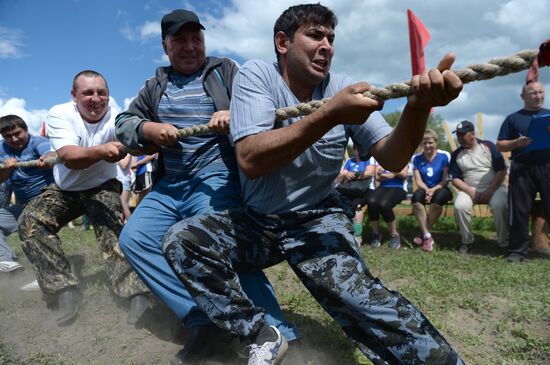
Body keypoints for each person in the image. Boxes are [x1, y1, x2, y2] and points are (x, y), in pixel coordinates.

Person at [162, 4, 465, 364]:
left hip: (318, 219)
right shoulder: (257, 76)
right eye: (315, 35)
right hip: (259, 221)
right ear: (282, 42)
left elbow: (393, 158)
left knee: (362, 302)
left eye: (331, 38)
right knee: (184, 242)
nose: (326, 46)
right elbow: (251, 159)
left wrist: (418, 108)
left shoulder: (342, 88)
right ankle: (258, 333)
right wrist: (329, 114)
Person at [115, 9, 298, 364]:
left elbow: (267, 100)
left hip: (216, 178)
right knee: (134, 239)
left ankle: (279, 332)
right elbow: (124, 123)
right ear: (166, 46)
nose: (189, 47)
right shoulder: (155, 85)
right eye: (180, 40)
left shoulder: (226, 71)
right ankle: (202, 317)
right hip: (170, 185)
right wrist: (147, 130)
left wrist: (235, 112)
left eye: (195, 39)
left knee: (218, 242)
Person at [18, 70, 149, 327]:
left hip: (103, 185)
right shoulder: (59, 113)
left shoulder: (116, 116)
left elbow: (137, 138)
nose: (96, 98)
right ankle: (63, 288)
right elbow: (68, 156)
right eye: (88, 92)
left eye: (102, 92)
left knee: (113, 224)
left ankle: (135, 292)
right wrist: (101, 151)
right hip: (66, 189)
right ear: (74, 96)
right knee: (30, 220)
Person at [496, 81, 550, 262]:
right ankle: (517, 252)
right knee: (519, 210)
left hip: (547, 166)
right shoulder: (512, 119)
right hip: (522, 167)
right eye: (534, 93)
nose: (539, 96)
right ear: (523, 96)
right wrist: (516, 143)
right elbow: (500, 145)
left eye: (541, 92)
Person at [0, 115, 55, 274]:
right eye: (8, 136)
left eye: (18, 133)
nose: (14, 139)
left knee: (30, 225)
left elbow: (50, 154)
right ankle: (6, 260)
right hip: (23, 205)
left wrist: (47, 159)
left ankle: (48, 274)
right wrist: (6, 169)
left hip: (48, 200)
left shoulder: (38, 142)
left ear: (26, 129)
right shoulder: (1, 148)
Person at [449, 120, 508, 254]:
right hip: (469, 189)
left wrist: (490, 190)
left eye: (462, 134)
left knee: (500, 204)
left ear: (473, 134)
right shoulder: (456, 154)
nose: (459, 138)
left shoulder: (488, 146)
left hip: (494, 187)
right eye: (458, 135)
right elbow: (455, 179)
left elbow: (502, 171)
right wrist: (471, 192)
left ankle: (504, 242)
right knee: (460, 206)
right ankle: (467, 241)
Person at [411, 129, 453, 252]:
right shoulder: (416, 158)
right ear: (421, 145)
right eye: (424, 143)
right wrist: (427, 190)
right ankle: (427, 236)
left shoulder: (444, 156)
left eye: (430, 142)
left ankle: (422, 234)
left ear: (436, 142)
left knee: (437, 200)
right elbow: (418, 181)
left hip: (441, 187)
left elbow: (445, 180)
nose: (427, 146)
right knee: (416, 199)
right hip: (424, 187)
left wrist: (433, 190)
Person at [335, 145, 375, 245]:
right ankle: (344, 234)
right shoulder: (349, 161)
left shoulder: (368, 160)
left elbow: (369, 173)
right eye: (358, 148)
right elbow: (340, 178)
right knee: (341, 204)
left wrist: (354, 174)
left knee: (357, 207)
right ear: (354, 150)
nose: (361, 151)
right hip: (350, 190)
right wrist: (345, 174)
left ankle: (357, 235)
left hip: (364, 190)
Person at [365, 163, 408, 249]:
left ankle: (394, 234)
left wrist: (390, 172)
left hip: (398, 187)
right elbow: (377, 177)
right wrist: (392, 174)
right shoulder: (382, 160)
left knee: (384, 205)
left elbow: (403, 174)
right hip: (383, 187)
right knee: (371, 201)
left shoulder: (401, 159)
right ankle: (376, 233)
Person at [116, 154, 133, 222]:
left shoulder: (128, 153)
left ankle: (132, 225)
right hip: (116, 181)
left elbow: (124, 165)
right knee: (118, 206)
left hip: (124, 181)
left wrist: (116, 156)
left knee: (123, 205)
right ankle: (120, 228)